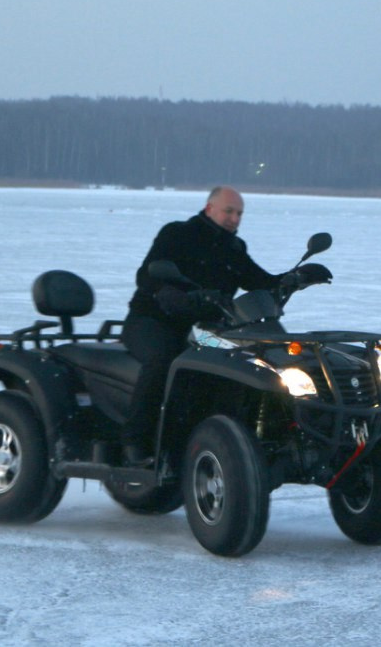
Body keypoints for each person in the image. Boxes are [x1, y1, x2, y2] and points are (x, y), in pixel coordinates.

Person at [119, 186, 301, 466]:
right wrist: (170, 294)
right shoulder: (177, 233)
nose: (234, 218)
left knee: (243, 361)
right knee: (164, 361)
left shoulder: (233, 248)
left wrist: (294, 278)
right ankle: (136, 441)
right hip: (153, 321)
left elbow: (258, 280)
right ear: (209, 209)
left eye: (239, 213)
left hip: (205, 329)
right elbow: (148, 274)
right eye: (228, 211)